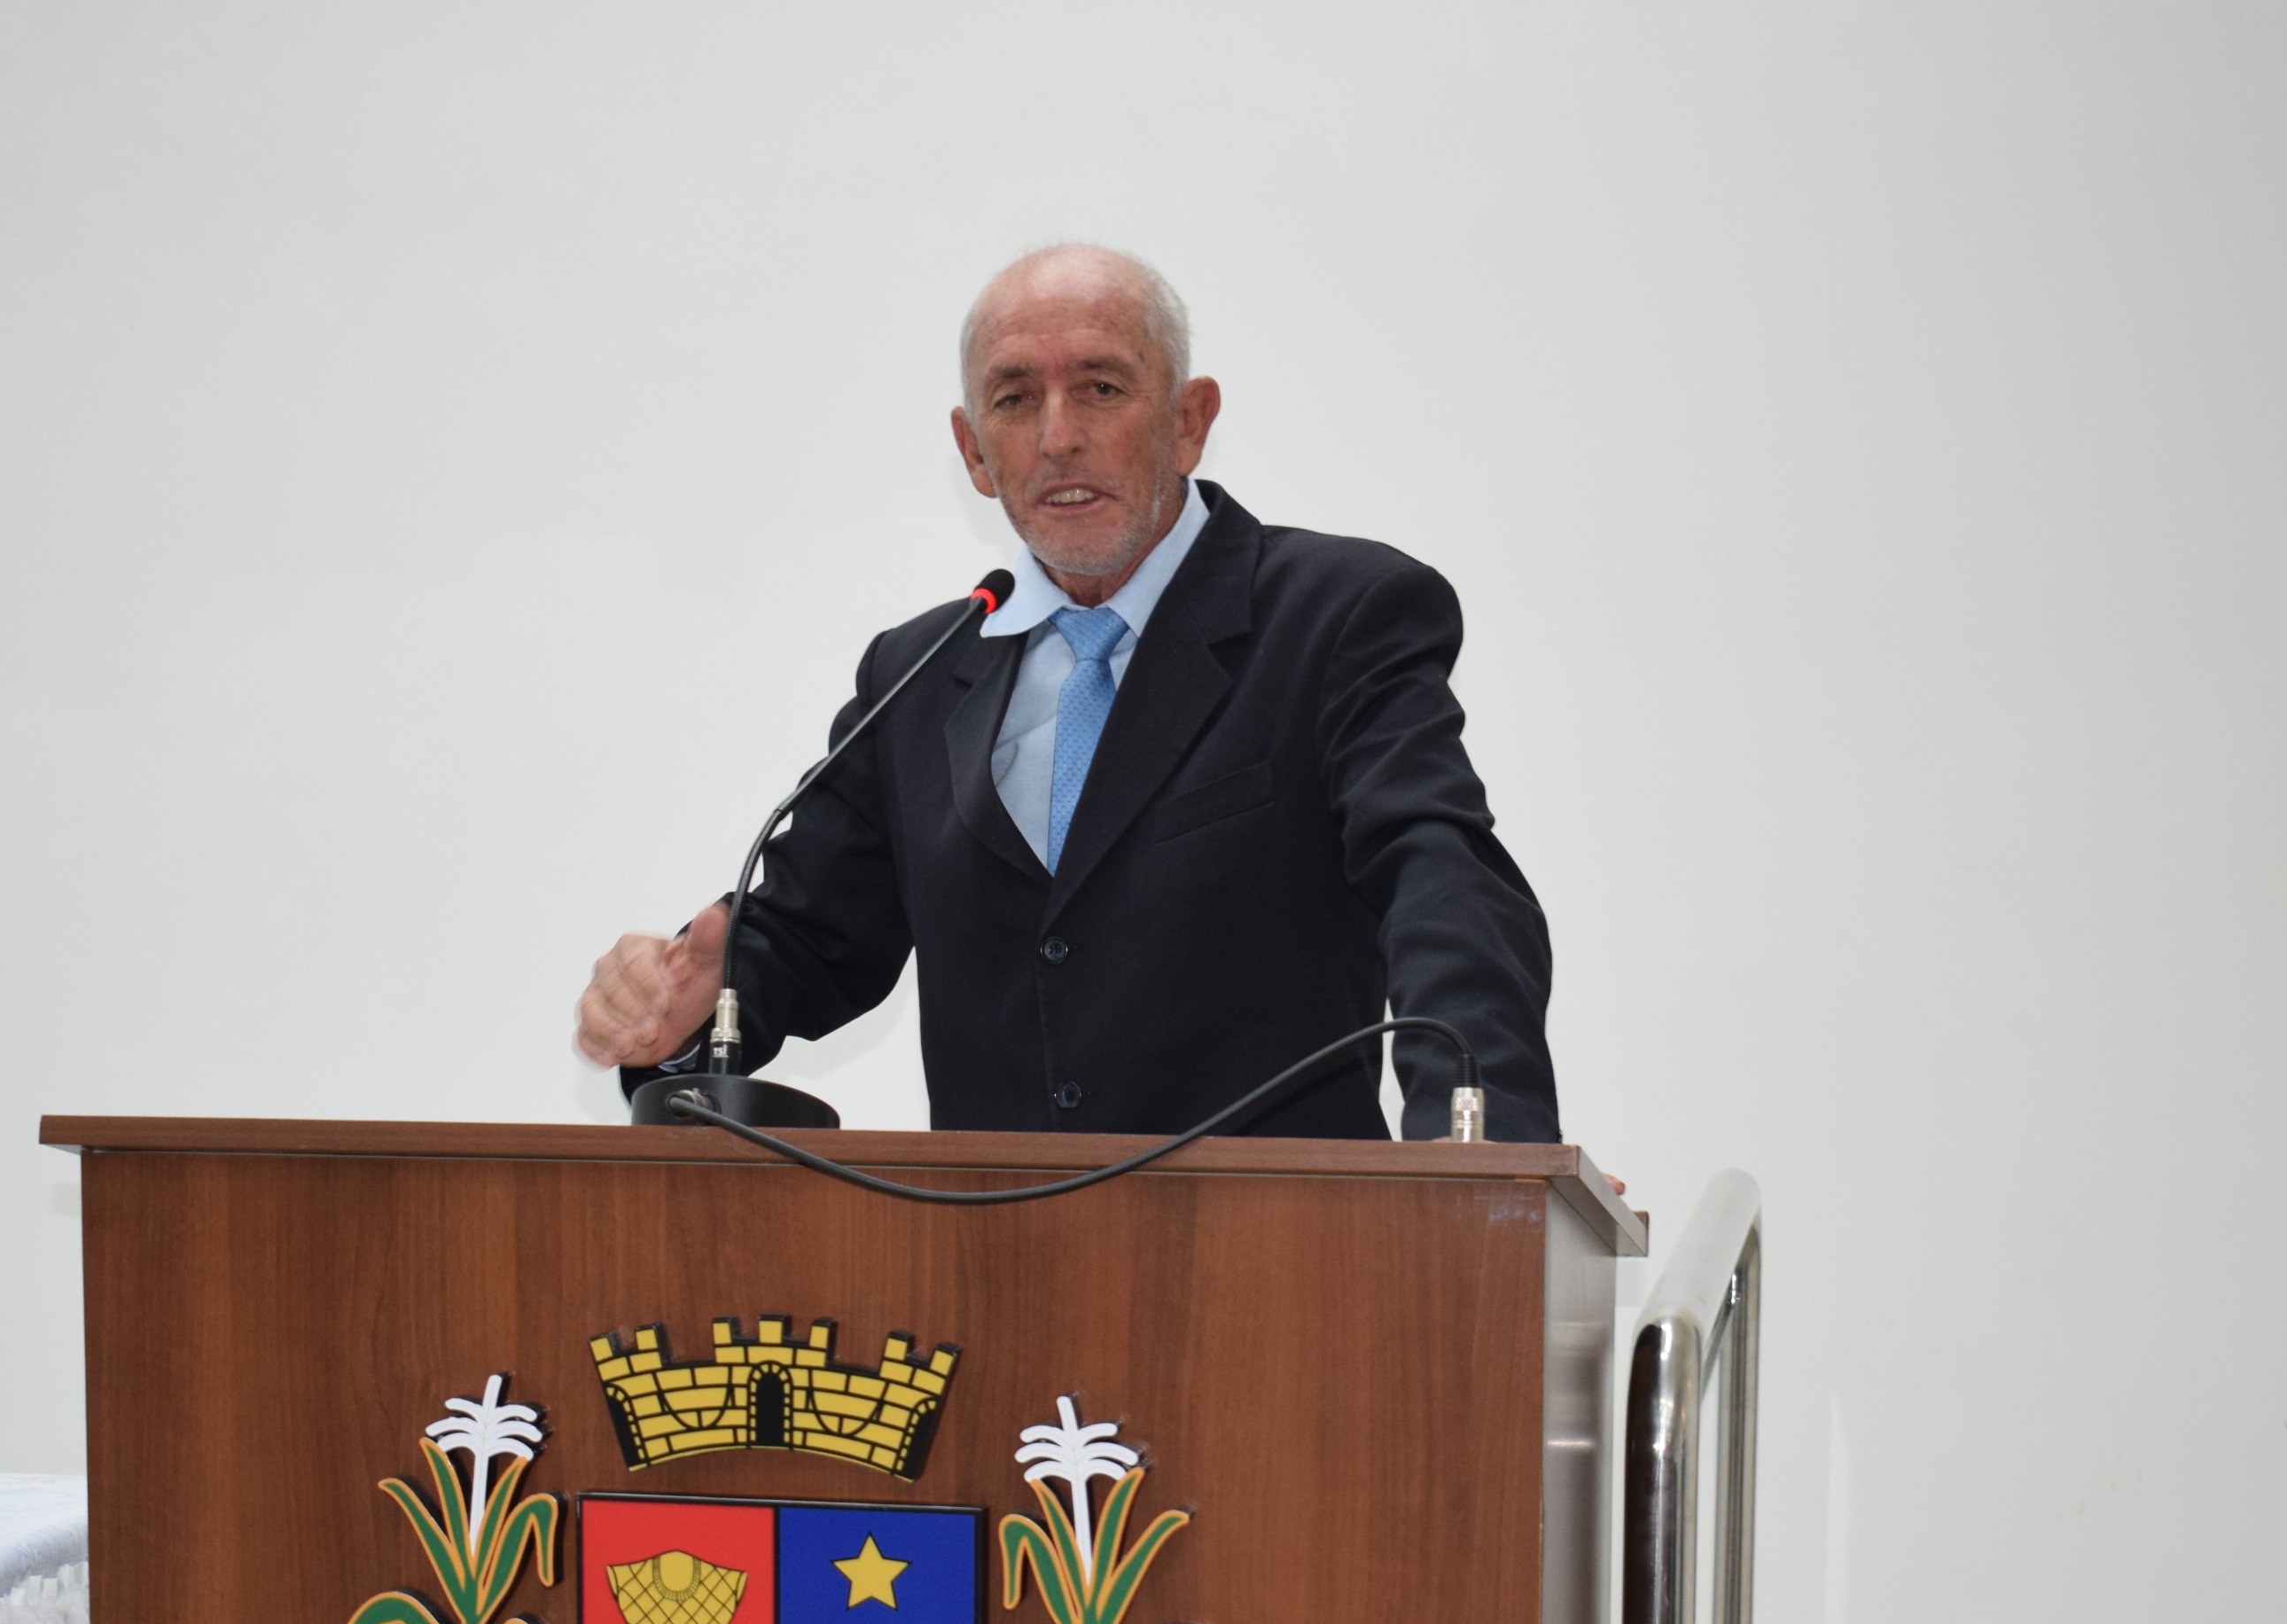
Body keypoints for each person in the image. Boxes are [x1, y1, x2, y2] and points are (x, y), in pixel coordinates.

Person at [574, 243, 1558, 1141]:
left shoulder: (1336, 616)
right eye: (1013, 400)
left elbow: (1441, 880)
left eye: (1100, 388)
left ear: (1187, 422)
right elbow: (804, 940)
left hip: (1277, 1249)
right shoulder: (916, 677)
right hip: (990, 1258)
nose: (1057, 437)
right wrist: (684, 1008)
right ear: (973, 451)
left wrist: (1484, 1150)